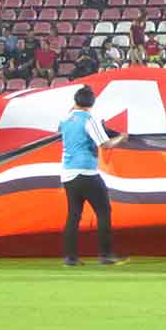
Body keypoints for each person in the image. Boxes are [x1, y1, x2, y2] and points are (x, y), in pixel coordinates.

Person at [59, 85, 127, 266]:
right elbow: (105, 144)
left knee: (73, 215)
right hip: (87, 172)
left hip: (67, 173)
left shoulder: (66, 119)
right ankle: (105, 255)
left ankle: (70, 257)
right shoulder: (90, 120)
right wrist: (121, 137)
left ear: (75, 101)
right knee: (103, 211)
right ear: (92, 103)